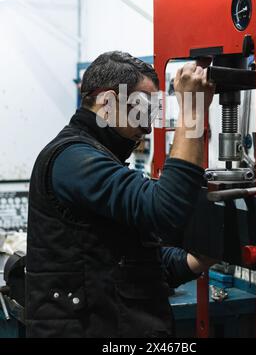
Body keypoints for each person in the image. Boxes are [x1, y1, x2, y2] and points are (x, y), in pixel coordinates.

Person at [26, 51, 215, 338]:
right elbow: (164, 212)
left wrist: (195, 261)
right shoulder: (72, 159)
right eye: (141, 108)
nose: (147, 126)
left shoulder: (102, 157)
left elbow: (130, 259)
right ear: (107, 101)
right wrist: (192, 110)